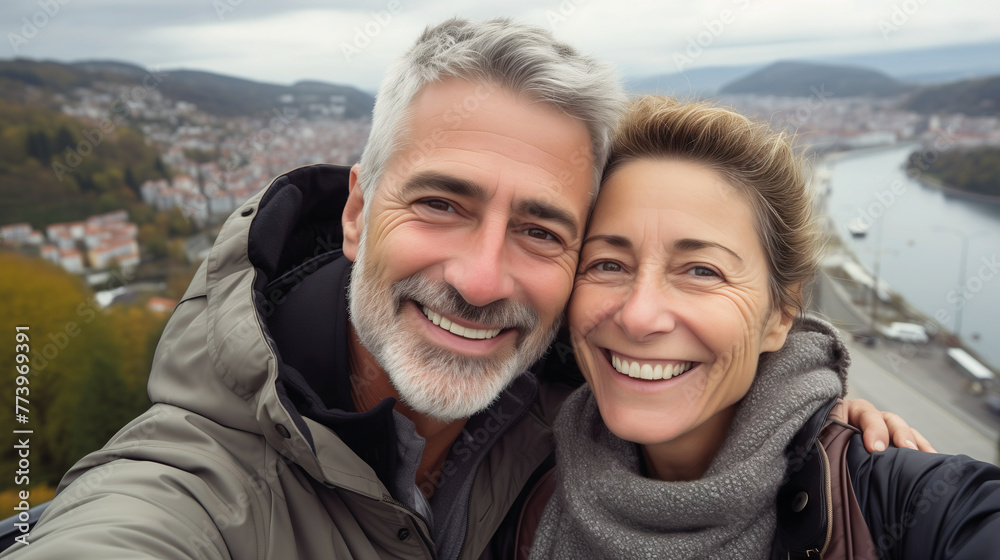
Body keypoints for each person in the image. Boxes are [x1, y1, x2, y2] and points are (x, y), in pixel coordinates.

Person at [2, 20, 925, 560]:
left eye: (541, 230)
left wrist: (804, 403)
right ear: (359, 210)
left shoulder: (585, 394)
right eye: (442, 203)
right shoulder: (194, 482)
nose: (483, 279)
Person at [525, 96, 1000, 559]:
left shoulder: (903, 503)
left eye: (701, 271)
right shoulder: (521, 475)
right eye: (608, 264)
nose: (638, 315)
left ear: (781, 315)